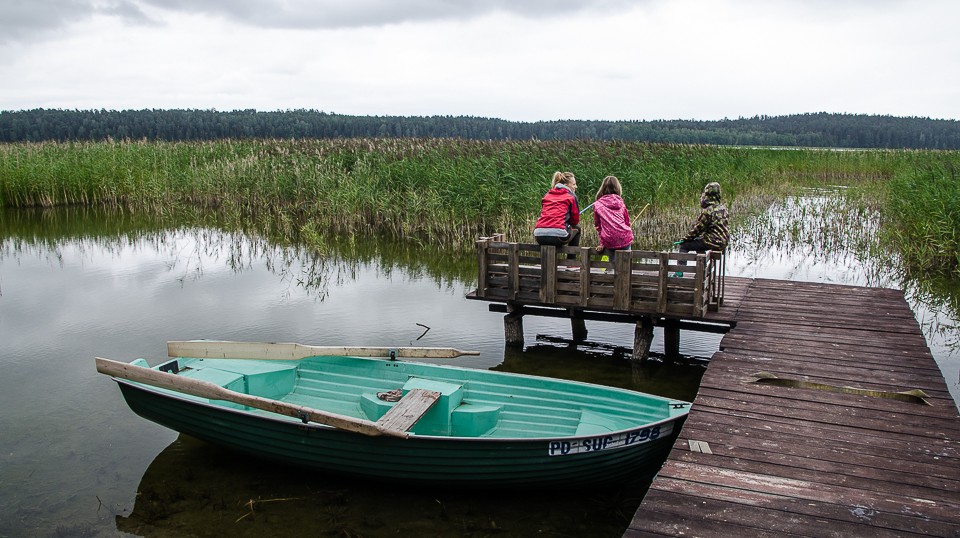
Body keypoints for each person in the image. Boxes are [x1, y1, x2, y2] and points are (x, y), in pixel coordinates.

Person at [675, 181, 729, 276]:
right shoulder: (723, 209)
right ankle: (702, 271)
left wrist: (684, 239)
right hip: (723, 242)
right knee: (699, 242)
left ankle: (679, 272)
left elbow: (698, 230)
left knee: (684, 246)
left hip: (713, 241)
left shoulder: (708, 211)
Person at [534, 171, 581, 252]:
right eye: (573, 184)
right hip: (558, 237)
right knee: (577, 228)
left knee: (556, 235)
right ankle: (571, 262)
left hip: (539, 236)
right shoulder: (572, 196)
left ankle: (547, 263)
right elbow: (575, 221)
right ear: (566, 185)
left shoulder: (547, 194)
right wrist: (568, 221)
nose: (576, 187)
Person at [592, 175, 633, 260]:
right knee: (626, 264)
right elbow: (627, 222)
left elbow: (598, 227)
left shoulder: (597, 204)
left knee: (612, 265)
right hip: (625, 236)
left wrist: (602, 243)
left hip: (609, 239)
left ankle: (612, 271)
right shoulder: (621, 202)